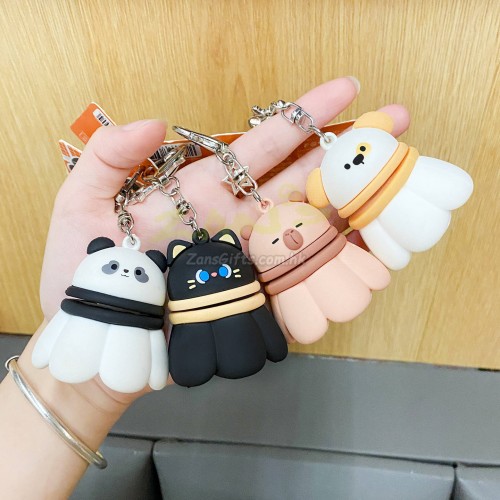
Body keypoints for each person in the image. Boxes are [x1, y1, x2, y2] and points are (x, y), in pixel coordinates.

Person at [0, 77, 409, 498]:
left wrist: (72, 392)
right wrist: (76, 388)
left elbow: (261, 334)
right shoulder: (146, 281)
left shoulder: (218, 261)